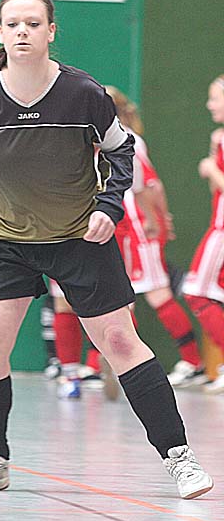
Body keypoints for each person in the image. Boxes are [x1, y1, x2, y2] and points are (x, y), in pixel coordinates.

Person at [0, 0, 213, 499]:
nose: (22, 32)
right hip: (2, 239)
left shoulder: (83, 93)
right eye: (13, 24)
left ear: (51, 31)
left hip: (78, 237)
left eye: (33, 23)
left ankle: (179, 458)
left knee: (120, 342)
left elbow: (122, 152)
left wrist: (108, 207)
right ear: (0, 32)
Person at [106, 86, 207, 389]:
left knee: (157, 293)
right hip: (117, 227)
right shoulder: (95, 140)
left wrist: (159, 219)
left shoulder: (129, 140)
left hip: (139, 228)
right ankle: (113, 364)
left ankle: (193, 362)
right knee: (119, 298)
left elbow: (151, 186)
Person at [182, 74, 224, 394]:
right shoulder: (218, 138)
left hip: (221, 230)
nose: (209, 105)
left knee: (196, 292)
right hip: (217, 222)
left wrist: (212, 169)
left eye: (214, 98)